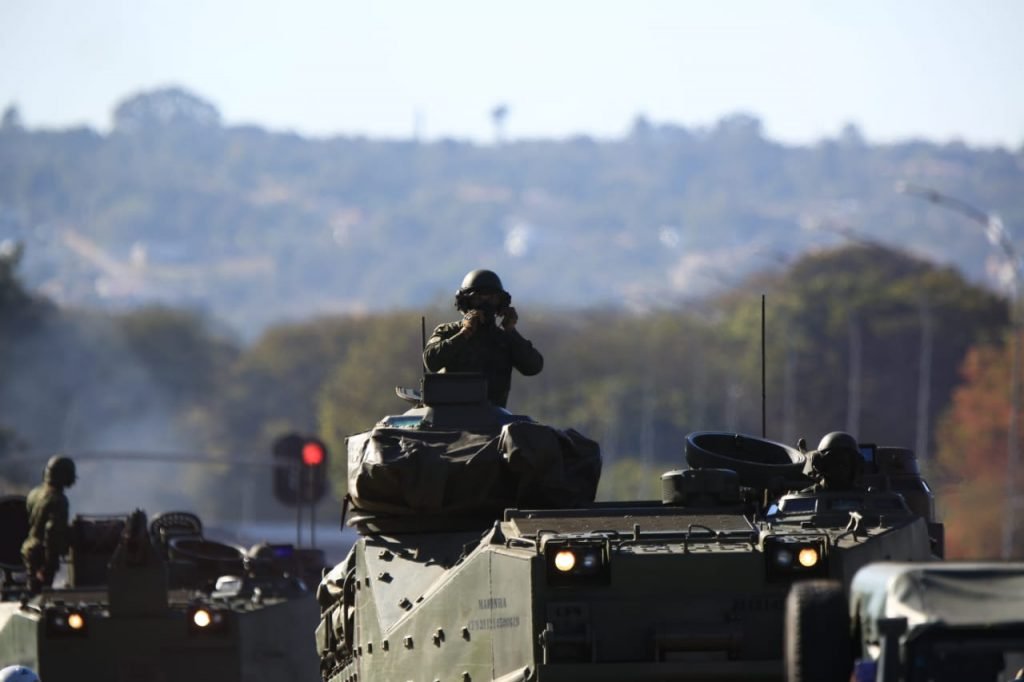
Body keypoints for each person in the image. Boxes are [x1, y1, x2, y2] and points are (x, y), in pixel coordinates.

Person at [423, 269, 543, 408]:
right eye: (478, 298)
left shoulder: (505, 339)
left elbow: (533, 367)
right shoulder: (448, 331)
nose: (485, 304)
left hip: (493, 419)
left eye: (492, 298)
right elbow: (431, 362)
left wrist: (511, 331)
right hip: (450, 417)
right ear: (466, 302)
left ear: (500, 303)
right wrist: (464, 334)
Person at [21, 454, 76, 593]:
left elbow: (29, 520)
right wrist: (47, 567)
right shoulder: (58, 500)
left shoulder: (34, 493)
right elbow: (52, 533)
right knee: (41, 597)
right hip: (43, 555)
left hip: (29, 549)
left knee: (33, 592)